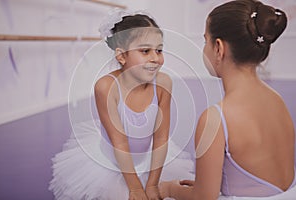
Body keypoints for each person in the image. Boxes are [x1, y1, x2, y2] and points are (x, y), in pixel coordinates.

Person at [49, 9, 194, 200]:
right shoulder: (106, 87)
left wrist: (151, 184)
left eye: (159, 50)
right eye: (145, 51)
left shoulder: (163, 83)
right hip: (113, 163)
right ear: (121, 56)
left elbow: (160, 138)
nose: (155, 58)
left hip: (149, 161)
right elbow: (120, 142)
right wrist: (135, 188)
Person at [159, 0, 296, 199]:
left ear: (218, 48)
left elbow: (204, 197)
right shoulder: (277, 100)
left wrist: (169, 189)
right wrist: (206, 183)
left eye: (205, 40)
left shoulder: (215, 119)